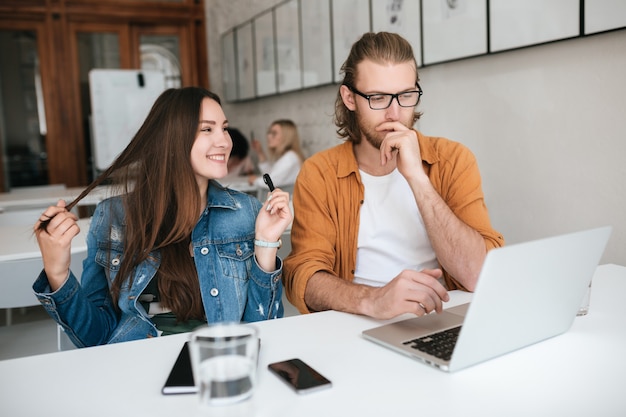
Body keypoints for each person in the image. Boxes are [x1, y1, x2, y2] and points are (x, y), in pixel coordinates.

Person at [33, 87, 292, 347]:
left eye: (224, 128)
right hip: (137, 368)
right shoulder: (113, 217)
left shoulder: (245, 211)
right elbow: (95, 338)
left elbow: (264, 328)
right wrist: (57, 273)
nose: (225, 141)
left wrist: (266, 247)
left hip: (219, 366)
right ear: (172, 139)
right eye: (207, 129)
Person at [283, 32, 504, 320]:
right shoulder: (319, 174)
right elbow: (304, 276)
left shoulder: (453, 160)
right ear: (349, 98)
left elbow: (479, 274)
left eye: (406, 96)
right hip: (356, 324)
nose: (394, 113)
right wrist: (374, 300)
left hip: (442, 320)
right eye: (377, 98)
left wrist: (418, 179)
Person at [248, 119, 305, 190]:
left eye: (274, 133)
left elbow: (271, 182)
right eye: (269, 132)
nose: (269, 136)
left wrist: (255, 181)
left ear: (286, 137)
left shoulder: (289, 158)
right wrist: (260, 153)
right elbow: (271, 175)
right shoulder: (288, 156)